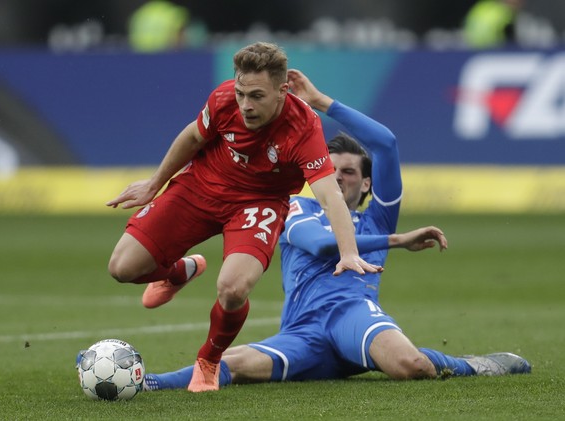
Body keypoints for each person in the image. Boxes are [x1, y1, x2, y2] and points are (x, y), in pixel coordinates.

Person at [141, 69, 531, 391]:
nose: (338, 178)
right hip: (302, 332)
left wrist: (323, 103)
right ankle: (149, 382)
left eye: (349, 172)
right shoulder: (291, 206)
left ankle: (472, 365)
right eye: (331, 170)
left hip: (353, 315)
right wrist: (398, 241)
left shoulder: (377, 218)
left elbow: (387, 144)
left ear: (366, 185)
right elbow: (324, 244)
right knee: (236, 363)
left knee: (412, 366)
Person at [106, 43, 380, 393]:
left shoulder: (303, 127)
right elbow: (192, 137)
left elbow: (328, 194)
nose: (245, 104)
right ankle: (178, 272)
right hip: (202, 186)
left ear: (282, 91)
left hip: (258, 203)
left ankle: (208, 360)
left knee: (233, 289)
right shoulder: (222, 100)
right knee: (122, 268)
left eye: (256, 95)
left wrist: (349, 252)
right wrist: (154, 184)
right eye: (240, 93)